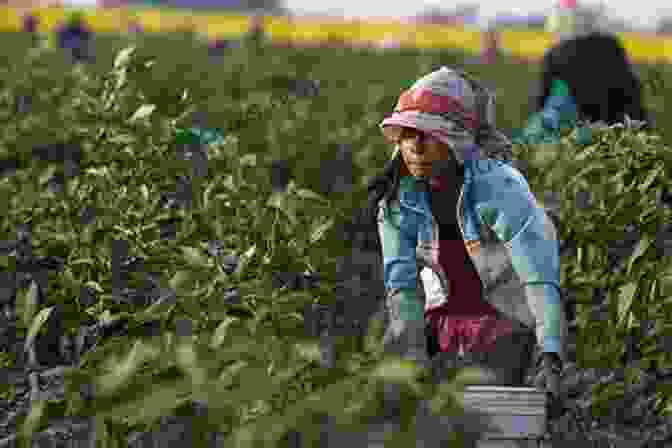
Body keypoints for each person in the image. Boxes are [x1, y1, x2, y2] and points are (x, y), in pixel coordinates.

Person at [365, 67, 566, 396]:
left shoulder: (501, 188)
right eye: (407, 133)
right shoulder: (397, 201)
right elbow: (402, 286)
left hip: (501, 325)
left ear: (456, 142)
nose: (415, 145)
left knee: (486, 420)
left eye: (429, 134)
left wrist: (550, 353)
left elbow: (539, 277)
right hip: (438, 325)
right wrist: (407, 350)